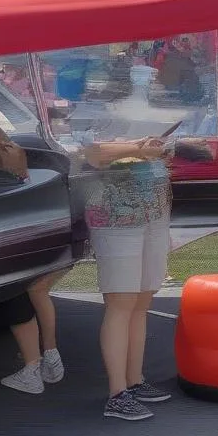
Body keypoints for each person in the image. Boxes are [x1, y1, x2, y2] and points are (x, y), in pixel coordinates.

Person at [81, 135, 175, 421]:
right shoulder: (88, 115)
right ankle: (117, 393)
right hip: (115, 217)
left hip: (153, 214)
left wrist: (155, 151)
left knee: (141, 300)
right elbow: (92, 153)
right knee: (121, 302)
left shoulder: (135, 117)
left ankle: (134, 381)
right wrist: (138, 148)